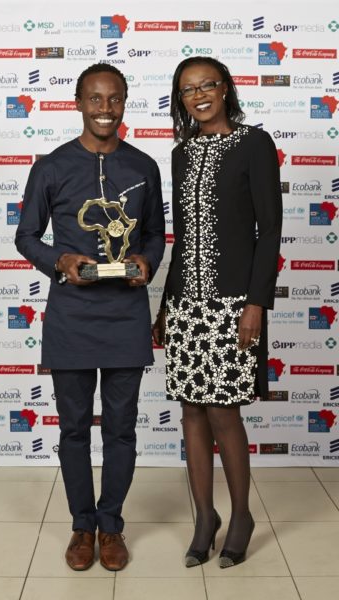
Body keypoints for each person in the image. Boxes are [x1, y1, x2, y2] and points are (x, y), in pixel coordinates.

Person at [15, 63, 165, 572]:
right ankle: (83, 525)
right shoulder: (51, 166)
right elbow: (27, 236)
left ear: (125, 103)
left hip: (125, 314)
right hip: (71, 315)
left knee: (121, 430)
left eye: (114, 98)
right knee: (74, 430)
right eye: (95, 99)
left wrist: (147, 260)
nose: (105, 108)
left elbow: (154, 236)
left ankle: (112, 526)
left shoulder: (145, 167)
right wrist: (58, 261)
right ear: (78, 103)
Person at [153, 57, 282, 569]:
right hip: (186, 302)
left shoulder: (255, 143)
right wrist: (165, 306)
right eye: (188, 89)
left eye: (208, 84)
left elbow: (267, 230)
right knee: (190, 410)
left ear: (226, 88)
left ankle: (242, 515)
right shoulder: (181, 153)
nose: (200, 94)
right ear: (180, 99)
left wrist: (257, 304)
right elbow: (182, 240)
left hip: (233, 304)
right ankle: (205, 517)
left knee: (224, 412)